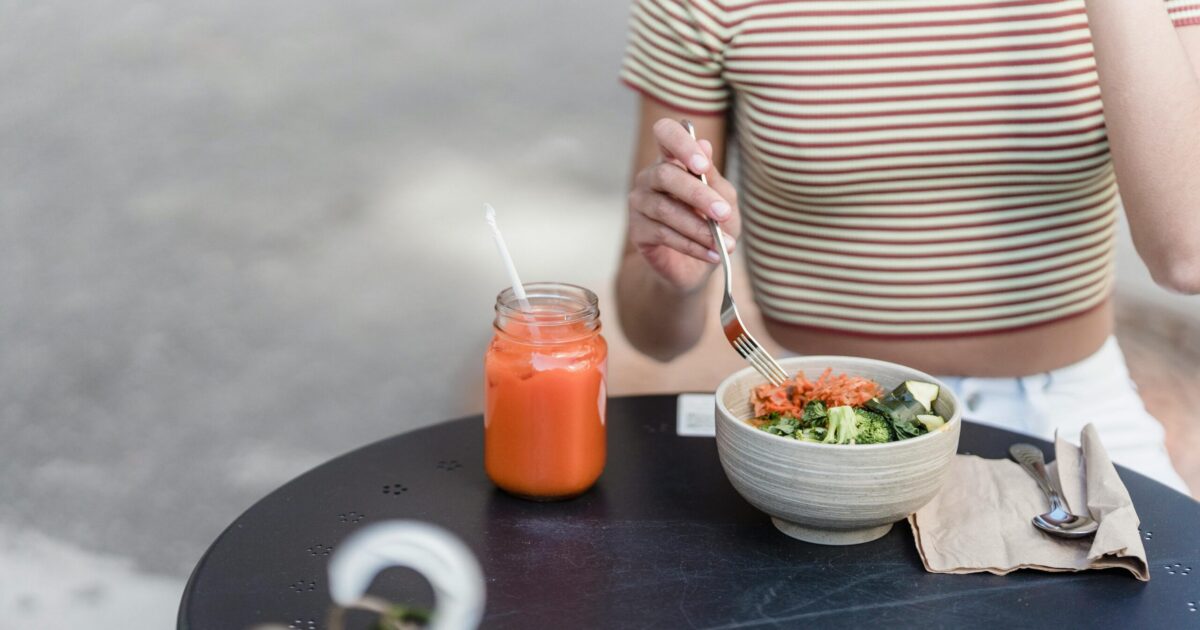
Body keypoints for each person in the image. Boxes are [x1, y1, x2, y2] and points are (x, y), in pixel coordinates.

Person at [615, 0, 1200, 493]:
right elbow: (652, 335)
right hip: (821, 425)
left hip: (1067, 415)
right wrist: (678, 276)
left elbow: (1187, 254)